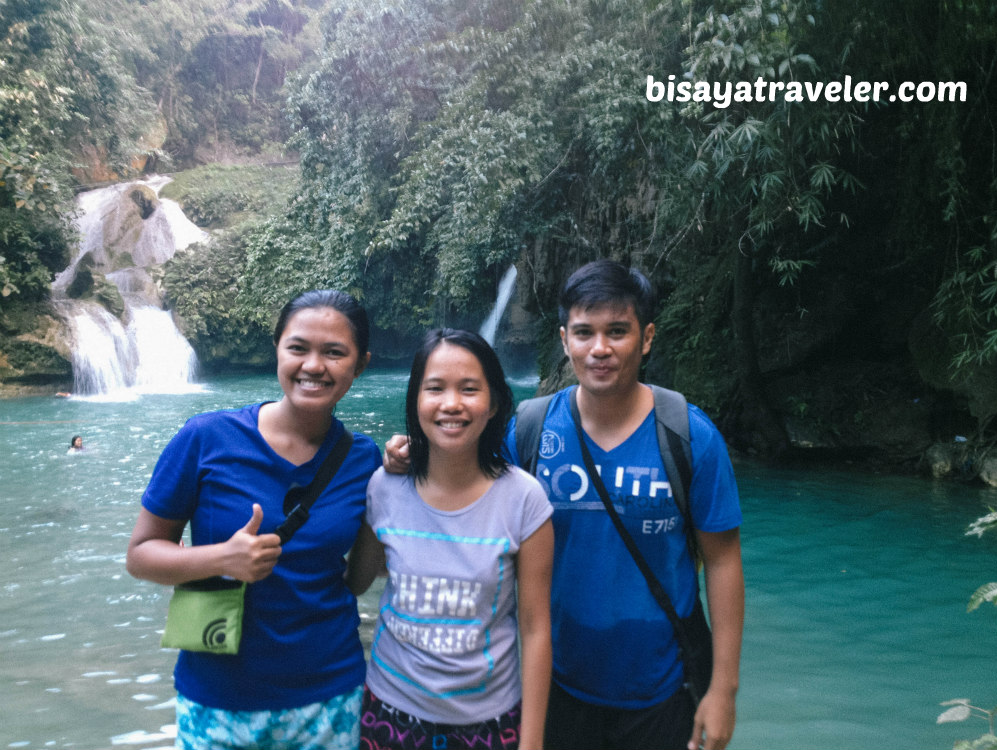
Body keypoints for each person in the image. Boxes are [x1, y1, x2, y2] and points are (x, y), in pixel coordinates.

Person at [385, 260, 744, 750]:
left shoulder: (687, 435)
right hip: (552, 683)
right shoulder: (530, 430)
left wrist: (722, 690)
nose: (600, 349)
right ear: (564, 339)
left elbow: (723, 562)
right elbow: (465, 496)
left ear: (647, 337)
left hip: (663, 687)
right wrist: (407, 458)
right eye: (585, 333)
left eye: (617, 331)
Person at [126, 289, 381, 750]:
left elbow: (358, 580)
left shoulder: (364, 460)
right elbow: (141, 556)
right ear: (278, 350)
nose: (313, 366)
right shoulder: (205, 438)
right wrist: (222, 558)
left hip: (330, 694)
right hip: (219, 698)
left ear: (360, 364)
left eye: (334, 353)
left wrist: (403, 483)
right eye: (298, 348)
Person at [348, 328, 554, 750]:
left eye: (469, 389)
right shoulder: (384, 487)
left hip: (490, 722)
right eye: (435, 388)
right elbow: (354, 582)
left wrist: (532, 742)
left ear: (494, 402)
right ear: (416, 400)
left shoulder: (524, 499)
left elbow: (535, 630)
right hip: (389, 713)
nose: (451, 404)